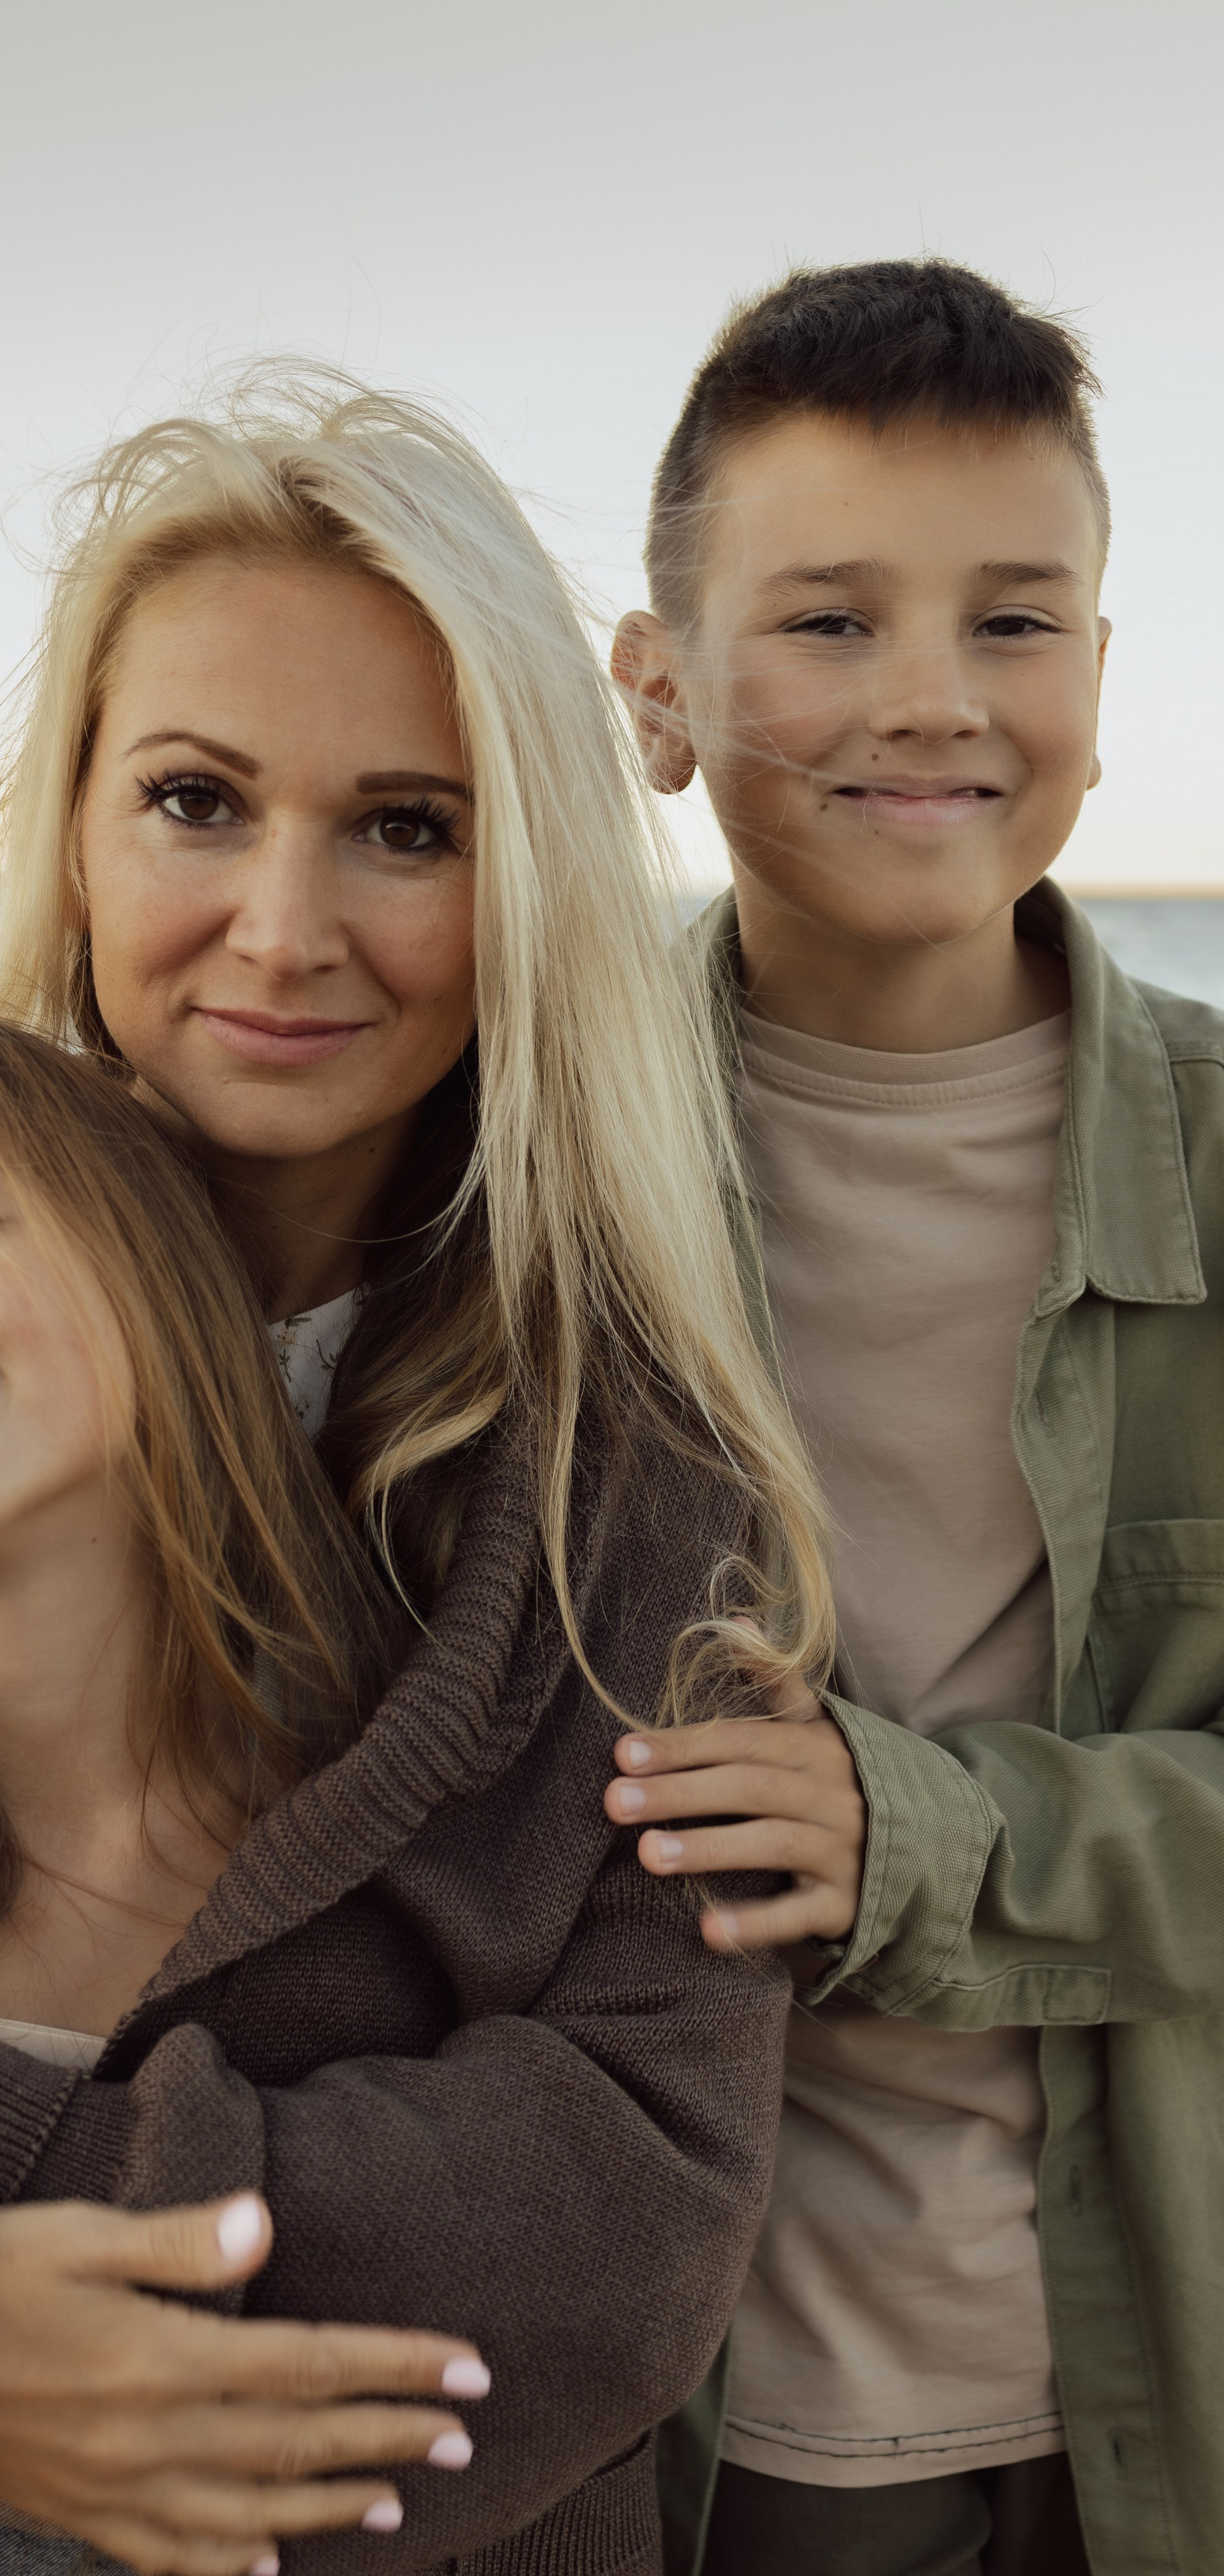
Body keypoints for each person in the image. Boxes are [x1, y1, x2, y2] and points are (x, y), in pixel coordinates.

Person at [0, 372, 830, 2575]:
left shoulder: (630, 1500)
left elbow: (620, 2205)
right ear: (78, 830)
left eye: (407, 825)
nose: (286, 929)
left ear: (526, 872)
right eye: (198, 801)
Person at [607, 260, 1224, 2576]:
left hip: (1160, 2386)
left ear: (1100, 680)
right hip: (711, 2438)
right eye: (833, 623)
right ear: (657, 695)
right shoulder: (512, 1167)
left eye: (1019, 622)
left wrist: (928, 1836)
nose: (937, 704)